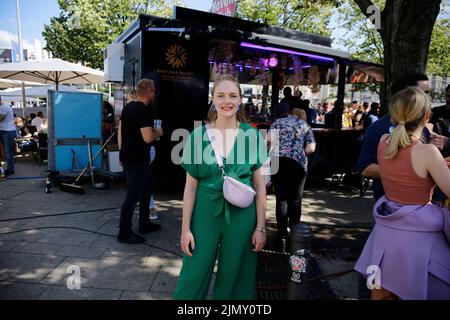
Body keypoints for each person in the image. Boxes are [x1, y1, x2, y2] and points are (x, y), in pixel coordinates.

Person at [173, 74, 268, 300]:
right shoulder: (198, 136)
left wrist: (261, 227)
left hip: (243, 216)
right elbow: (190, 187)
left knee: (236, 275)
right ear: (213, 99)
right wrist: (185, 229)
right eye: (221, 95)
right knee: (193, 273)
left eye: (233, 95)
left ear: (240, 99)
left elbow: (261, 187)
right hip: (205, 213)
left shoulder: (252, 135)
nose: (227, 101)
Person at [354, 87, 450, 300]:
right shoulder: (427, 152)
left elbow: (405, 169)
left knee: (378, 294)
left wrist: (435, 167)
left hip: (384, 233)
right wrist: (438, 166)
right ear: (426, 115)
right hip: (418, 239)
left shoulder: (384, 142)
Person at [117, 79, 163, 244]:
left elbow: (120, 132)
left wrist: (121, 153)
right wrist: (158, 132)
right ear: (149, 91)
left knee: (148, 187)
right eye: (154, 91)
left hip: (130, 156)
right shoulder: (143, 110)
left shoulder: (128, 107)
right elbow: (148, 137)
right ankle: (124, 232)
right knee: (133, 195)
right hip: (137, 159)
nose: (155, 94)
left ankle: (144, 223)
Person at [268, 105, 316, 239]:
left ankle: (282, 232)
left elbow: (268, 140)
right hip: (297, 164)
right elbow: (311, 148)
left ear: (290, 114)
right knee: (295, 199)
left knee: (281, 198)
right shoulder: (305, 125)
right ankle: (295, 231)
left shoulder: (278, 122)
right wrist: (300, 151)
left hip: (277, 162)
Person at [0, 96, 17, 176]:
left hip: (8, 131)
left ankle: (11, 169)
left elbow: (0, 118)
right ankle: (8, 168)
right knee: (4, 151)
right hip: (2, 131)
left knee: (8, 151)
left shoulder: (5, 106)